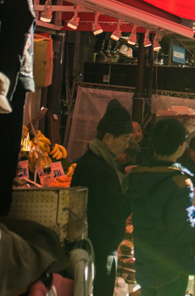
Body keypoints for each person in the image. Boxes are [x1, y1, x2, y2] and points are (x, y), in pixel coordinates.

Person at [126, 118, 195, 296]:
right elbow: (182, 231)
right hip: (172, 268)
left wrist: (193, 213)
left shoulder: (136, 175)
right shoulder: (179, 182)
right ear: (181, 146)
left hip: (145, 265)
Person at [71, 100, 133, 296]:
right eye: (123, 140)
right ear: (107, 137)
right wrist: (135, 190)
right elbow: (115, 210)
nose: (125, 146)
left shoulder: (94, 160)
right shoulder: (98, 168)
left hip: (97, 247)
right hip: (98, 249)